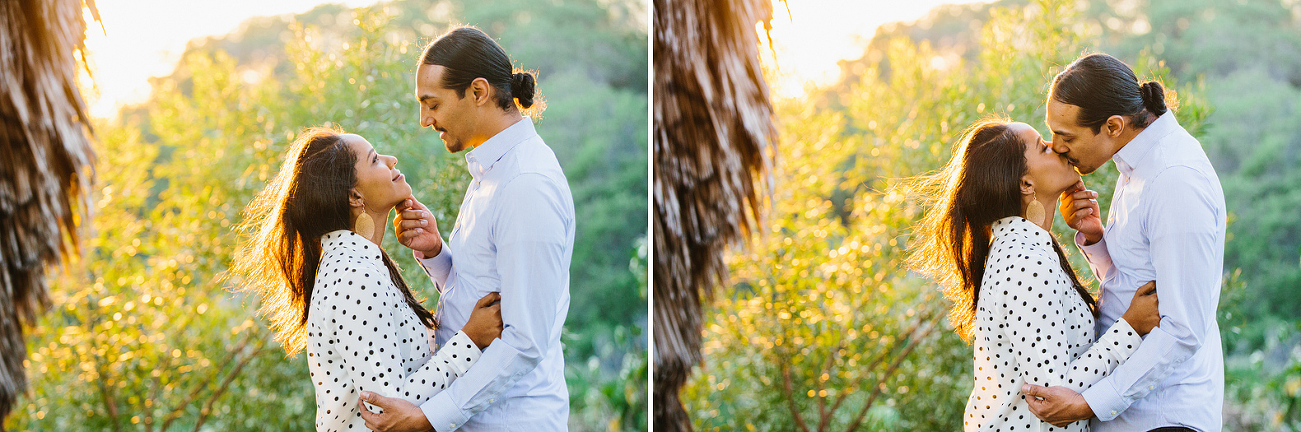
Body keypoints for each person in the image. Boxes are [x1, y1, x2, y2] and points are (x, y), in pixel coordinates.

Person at [357, 26, 575, 432]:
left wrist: (428, 417)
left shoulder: (526, 185)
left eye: (432, 103)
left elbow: (525, 341)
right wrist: (438, 254)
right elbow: (487, 291)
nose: (424, 120)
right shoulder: (493, 171)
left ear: (477, 92)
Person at [231, 127, 505, 431]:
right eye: (375, 160)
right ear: (354, 196)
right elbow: (386, 407)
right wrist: (470, 340)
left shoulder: (362, 263)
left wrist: (435, 251)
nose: (391, 160)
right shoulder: (352, 276)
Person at [909, 119, 1163, 431]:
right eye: (1043, 147)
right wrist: (1130, 328)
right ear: (1026, 184)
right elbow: (1051, 394)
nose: (1057, 147)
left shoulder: (1025, 248)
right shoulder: (1025, 261)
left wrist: (1094, 237)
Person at [1022, 53, 1227, 432]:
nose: (1056, 148)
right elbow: (1138, 281)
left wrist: (1089, 403)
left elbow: (1183, 331)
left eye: (1065, 137)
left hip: (1161, 417)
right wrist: (1097, 239)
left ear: (1113, 125)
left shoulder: (1174, 180)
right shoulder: (1136, 165)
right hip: (1129, 413)